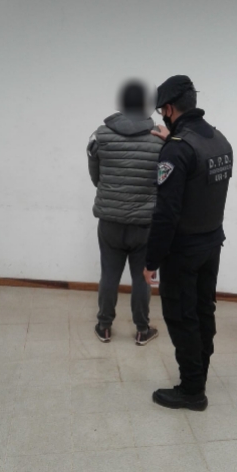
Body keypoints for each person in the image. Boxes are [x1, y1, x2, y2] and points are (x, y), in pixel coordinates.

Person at [144, 75, 233, 411]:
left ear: (168, 109)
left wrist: (151, 261)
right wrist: (173, 141)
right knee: (202, 311)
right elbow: (200, 179)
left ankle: (192, 390)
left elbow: (166, 214)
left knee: (182, 318)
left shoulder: (178, 149)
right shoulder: (219, 140)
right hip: (212, 243)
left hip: (183, 252)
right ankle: (200, 374)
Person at [87, 80, 162, 345]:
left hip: (110, 221)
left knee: (109, 275)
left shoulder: (101, 134)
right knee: (143, 278)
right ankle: (142, 330)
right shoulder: (159, 138)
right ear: (145, 105)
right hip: (145, 223)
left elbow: (96, 177)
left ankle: (104, 326)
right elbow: (163, 180)